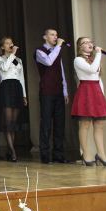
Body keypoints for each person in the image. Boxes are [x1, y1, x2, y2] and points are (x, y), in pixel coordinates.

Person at [71, 37, 106, 166]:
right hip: (86, 91)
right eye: (85, 42)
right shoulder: (78, 60)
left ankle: (101, 154)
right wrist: (99, 53)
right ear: (80, 47)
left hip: (96, 91)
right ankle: (86, 154)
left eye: (90, 42)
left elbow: (98, 78)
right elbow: (91, 70)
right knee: (85, 124)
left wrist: (102, 95)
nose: (89, 44)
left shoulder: (94, 59)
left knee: (99, 124)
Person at [35, 28, 69, 164]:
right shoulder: (39, 51)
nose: (55, 37)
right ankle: (45, 155)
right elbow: (48, 61)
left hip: (58, 91)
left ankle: (58, 154)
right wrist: (58, 46)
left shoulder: (57, 51)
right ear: (45, 37)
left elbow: (61, 71)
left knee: (59, 124)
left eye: (56, 35)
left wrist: (65, 91)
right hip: (46, 92)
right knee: (46, 124)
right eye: (52, 35)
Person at [0, 37, 28, 162]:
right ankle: (13, 152)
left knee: (13, 123)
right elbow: (4, 68)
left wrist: (24, 95)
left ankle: (10, 151)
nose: (10, 44)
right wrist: (12, 54)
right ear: (2, 47)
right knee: (8, 122)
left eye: (11, 43)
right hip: (6, 87)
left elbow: (21, 77)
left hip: (17, 88)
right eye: (7, 43)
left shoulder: (18, 60)